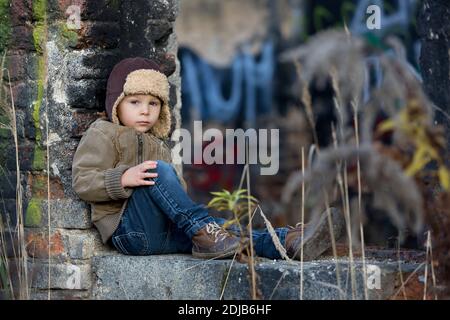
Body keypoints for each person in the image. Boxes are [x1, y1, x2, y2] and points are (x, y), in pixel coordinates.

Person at [72, 57, 344, 260]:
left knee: (228, 237)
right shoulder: (104, 133)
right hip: (130, 232)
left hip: (164, 233)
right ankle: (204, 229)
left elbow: (172, 193)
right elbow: (83, 182)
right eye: (135, 102)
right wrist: (122, 178)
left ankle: (289, 242)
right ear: (116, 103)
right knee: (164, 178)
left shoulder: (159, 143)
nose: (145, 111)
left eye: (153, 104)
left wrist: (176, 192)